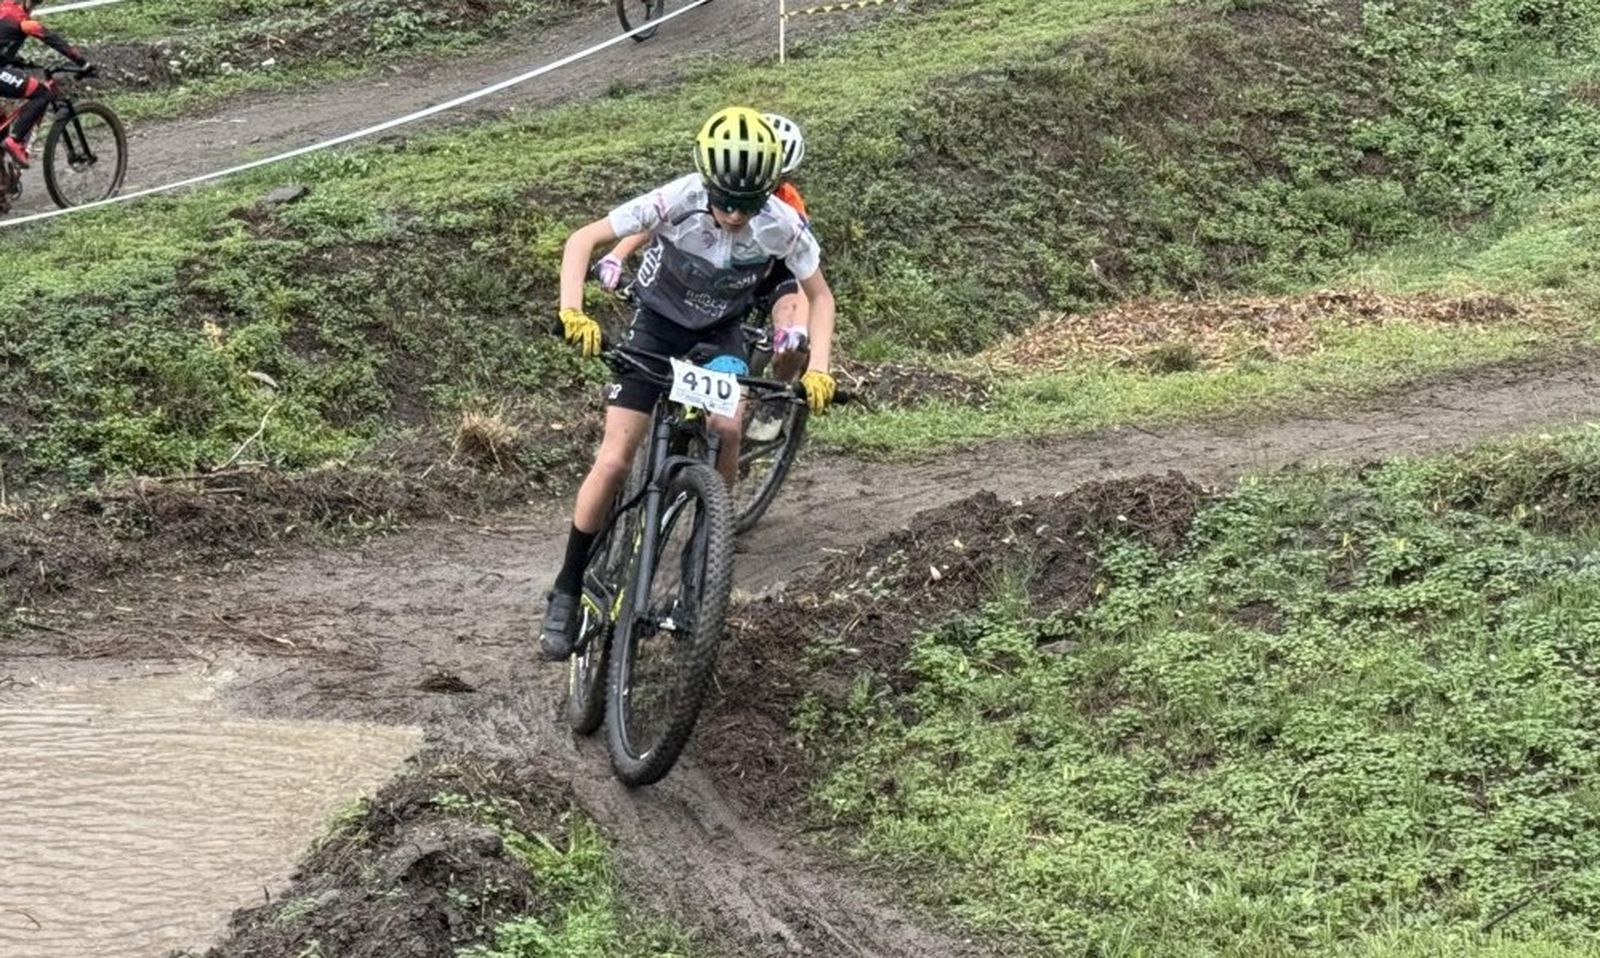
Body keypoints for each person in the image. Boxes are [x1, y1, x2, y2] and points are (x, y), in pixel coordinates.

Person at [538, 106, 839, 661]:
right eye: (723, 199)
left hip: (716, 337)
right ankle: (567, 587)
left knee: (728, 427)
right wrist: (571, 310)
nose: (731, 214)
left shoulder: (782, 223)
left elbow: (819, 296)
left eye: (746, 204)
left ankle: (709, 546)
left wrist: (818, 365)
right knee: (613, 460)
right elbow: (584, 239)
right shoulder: (678, 196)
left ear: (769, 191)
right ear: (708, 182)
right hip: (656, 328)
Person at [596, 111, 815, 418]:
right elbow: (658, 219)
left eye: (781, 177)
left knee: (791, 330)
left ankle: (776, 397)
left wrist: (798, 329)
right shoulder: (711, 188)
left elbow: (804, 267)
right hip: (723, 271)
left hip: (774, 269)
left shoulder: (788, 205)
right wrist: (617, 254)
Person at [0, 0, 92, 168]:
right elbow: (52, 39)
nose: (34, 7)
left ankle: (3, 182)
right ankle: (15, 141)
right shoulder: (24, 21)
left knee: (1, 122)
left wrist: (14, 60)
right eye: (35, 3)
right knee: (43, 93)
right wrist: (84, 63)